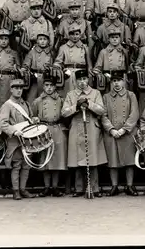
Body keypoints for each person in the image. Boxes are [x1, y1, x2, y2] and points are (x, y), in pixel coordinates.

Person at [61, 70, 107, 198]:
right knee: (78, 159)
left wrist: (89, 104)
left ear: (88, 80)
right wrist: (76, 106)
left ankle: (94, 188)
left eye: (84, 79)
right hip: (76, 126)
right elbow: (64, 112)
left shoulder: (96, 93)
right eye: (79, 80)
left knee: (92, 158)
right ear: (76, 81)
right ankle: (79, 187)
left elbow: (102, 110)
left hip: (91, 126)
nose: (82, 82)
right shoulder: (71, 94)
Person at [0, 78, 38, 200]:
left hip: (26, 139)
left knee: (26, 165)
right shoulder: (7, 105)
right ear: (11, 90)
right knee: (17, 165)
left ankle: (23, 189)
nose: (19, 91)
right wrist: (14, 131)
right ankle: (16, 190)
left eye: (20, 88)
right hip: (15, 140)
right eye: (16, 88)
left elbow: (30, 118)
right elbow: (2, 123)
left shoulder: (25, 104)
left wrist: (34, 120)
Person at [101, 71, 140, 196]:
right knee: (113, 161)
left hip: (127, 132)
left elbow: (134, 114)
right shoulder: (106, 97)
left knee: (129, 160)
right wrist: (111, 129)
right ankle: (114, 186)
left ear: (124, 81)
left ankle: (130, 185)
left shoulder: (131, 95)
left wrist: (124, 129)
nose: (116, 83)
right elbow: (103, 115)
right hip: (112, 133)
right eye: (113, 81)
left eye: (119, 80)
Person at [31, 73, 68, 197]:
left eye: (51, 85)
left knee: (56, 159)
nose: (49, 88)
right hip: (44, 130)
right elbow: (33, 115)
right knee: (45, 159)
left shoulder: (60, 100)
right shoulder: (37, 101)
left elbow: (65, 115)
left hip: (57, 129)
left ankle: (55, 186)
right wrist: (35, 119)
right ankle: (46, 187)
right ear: (43, 86)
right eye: (46, 85)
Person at [53, 24, 92, 98]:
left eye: (77, 34)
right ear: (69, 35)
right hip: (68, 74)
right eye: (72, 34)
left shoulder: (84, 48)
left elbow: (89, 64)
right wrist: (58, 69)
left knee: (81, 96)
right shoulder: (63, 48)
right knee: (69, 95)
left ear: (80, 35)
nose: (74, 36)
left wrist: (89, 75)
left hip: (81, 74)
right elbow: (58, 62)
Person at [93, 28, 130, 93]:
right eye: (112, 37)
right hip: (109, 80)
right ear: (109, 39)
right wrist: (104, 76)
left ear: (120, 39)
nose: (115, 39)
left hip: (122, 79)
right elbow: (97, 69)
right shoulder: (103, 52)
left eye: (116, 37)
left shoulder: (124, 51)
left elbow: (128, 67)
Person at [21, 32, 54, 103]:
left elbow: (54, 65)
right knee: (31, 98)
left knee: (46, 99)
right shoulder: (32, 52)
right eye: (40, 39)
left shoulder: (51, 53)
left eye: (45, 39)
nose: (42, 41)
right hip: (34, 79)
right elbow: (25, 65)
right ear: (37, 41)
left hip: (46, 79)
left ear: (48, 41)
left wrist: (50, 69)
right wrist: (28, 73)